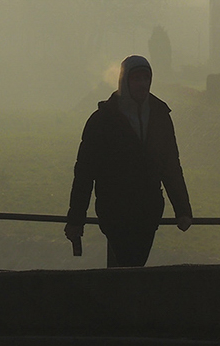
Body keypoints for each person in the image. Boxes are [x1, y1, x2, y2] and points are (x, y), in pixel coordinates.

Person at [65, 55, 193, 267]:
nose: (143, 84)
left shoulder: (159, 116)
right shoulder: (103, 121)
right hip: (116, 211)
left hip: (147, 212)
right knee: (131, 267)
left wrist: (183, 209)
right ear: (125, 81)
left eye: (146, 78)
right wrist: (76, 219)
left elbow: (171, 165)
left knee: (129, 268)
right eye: (137, 78)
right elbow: (84, 174)